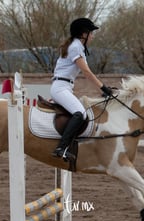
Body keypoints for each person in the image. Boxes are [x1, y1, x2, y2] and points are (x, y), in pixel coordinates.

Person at [51, 17, 113, 161]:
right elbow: (87, 72)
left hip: (64, 86)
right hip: (60, 88)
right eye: (91, 33)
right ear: (83, 34)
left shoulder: (76, 45)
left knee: (80, 112)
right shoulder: (76, 47)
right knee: (80, 114)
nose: (92, 36)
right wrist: (103, 88)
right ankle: (61, 148)